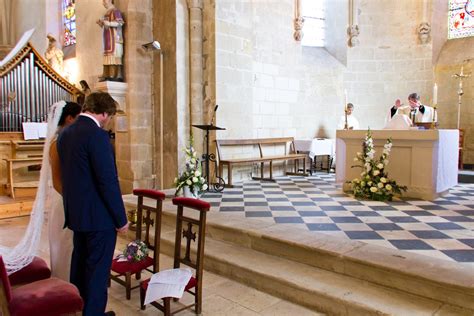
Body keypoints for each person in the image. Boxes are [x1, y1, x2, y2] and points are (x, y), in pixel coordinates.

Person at [57, 91, 128, 316]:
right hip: (99, 219)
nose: (108, 120)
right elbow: (107, 181)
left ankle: (80, 309)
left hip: (77, 215)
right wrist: (121, 219)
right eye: (109, 116)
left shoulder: (65, 134)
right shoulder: (97, 136)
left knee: (80, 268)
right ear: (104, 113)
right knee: (97, 274)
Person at [48, 101, 82, 281]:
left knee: (70, 243)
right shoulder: (56, 143)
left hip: (67, 197)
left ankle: (73, 278)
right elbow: (56, 181)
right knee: (64, 241)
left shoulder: (66, 140)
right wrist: (73, 201)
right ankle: (64, 280)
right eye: (78, 117)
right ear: (69, 119)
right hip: (63, 200)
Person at [97, 0, 125, 82]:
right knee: (107, 55)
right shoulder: (106, 13)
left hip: (115, 38)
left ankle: (116, 74)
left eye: (104, 1)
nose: (103, 3)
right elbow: (106, 26)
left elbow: (120, 23)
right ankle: (107, 74)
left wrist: (108, 23)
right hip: (108, 38)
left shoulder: (115, 11)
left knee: (114, 55)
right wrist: (101, 24)